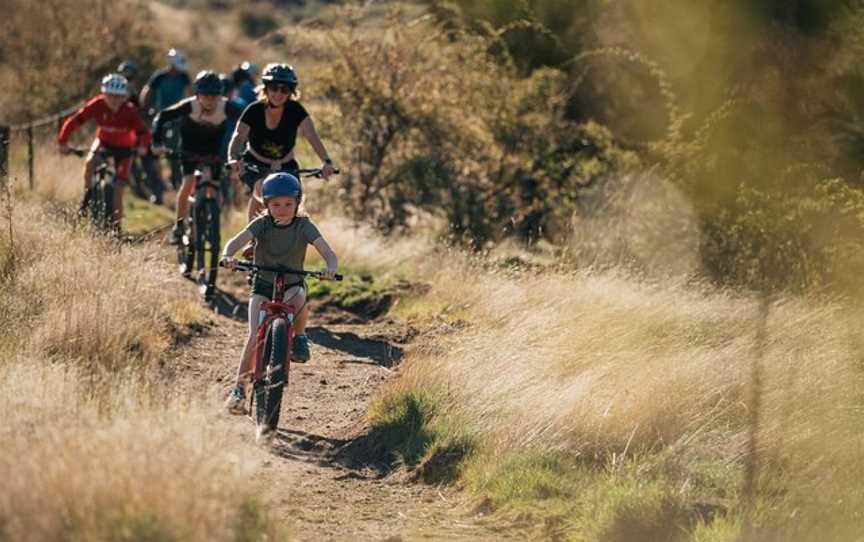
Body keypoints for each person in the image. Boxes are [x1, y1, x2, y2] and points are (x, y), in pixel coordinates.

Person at [220, 172, 338, 425]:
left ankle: (300, 336)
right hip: (262, 286)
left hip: (292, 285)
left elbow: (328, 251)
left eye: (288, 204)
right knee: (253, 334)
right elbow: (235, 242)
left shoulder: (304, 226)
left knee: (301, 299)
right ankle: (238, 389)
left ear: (298, 202)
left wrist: (330, 267)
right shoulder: (261, 224)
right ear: (266, 204)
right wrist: (228, 255)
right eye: (275, 204)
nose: (282, 210)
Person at [227, 62, 336, 220]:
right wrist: (233, 158)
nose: (278, 94)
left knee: (294, 204)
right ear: (266, 88)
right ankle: (253, 240)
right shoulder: (253, 110)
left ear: (291, 92)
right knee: (263, 190)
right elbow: (238, 137)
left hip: (286, 165)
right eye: (273, 88)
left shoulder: (296, 110)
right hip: (256, 165)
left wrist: (326, 161)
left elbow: (312, 136)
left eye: (284, 89)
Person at [151, 70, 244, 245]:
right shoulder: (189, 105)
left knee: (215, 187)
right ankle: (178, 227)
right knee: (188, 183)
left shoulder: (227, 106)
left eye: (214, 96)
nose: (210, 100)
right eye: (205, 96)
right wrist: (157, 141)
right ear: (197, 94)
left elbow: (249, 120)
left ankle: (212, 217)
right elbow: (162, 116)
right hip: (189, 148)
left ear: (220, 95)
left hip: (213, 149)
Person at [58, 74, 151, 230]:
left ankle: (116, 227)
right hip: (104, 142)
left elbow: (143, 132)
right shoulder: (97, 104)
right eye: (110, 96)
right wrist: (63, 142)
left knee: (118, 188)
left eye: (118, 97)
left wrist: (143, 146)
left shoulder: (130, 111)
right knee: (89, 163)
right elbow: (75, 120)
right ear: (104, 94)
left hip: (125, 149)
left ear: (124, 97)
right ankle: (87, 196)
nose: (114, 100)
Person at [140, 48, 192, 193]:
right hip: (160, 114)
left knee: (176, 148)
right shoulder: (160, 76)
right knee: (154, 146)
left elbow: (190, 93)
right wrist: (145, 108)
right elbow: (147, 91)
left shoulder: (184, 77)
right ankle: (157, 181)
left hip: (178, 115)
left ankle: (175, 179)